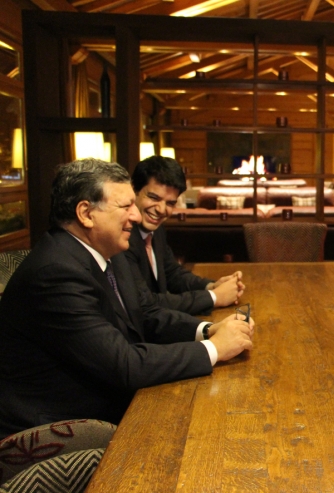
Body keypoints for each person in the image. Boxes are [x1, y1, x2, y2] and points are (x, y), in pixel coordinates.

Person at [0, 159, 254, 437]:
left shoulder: (107, 250)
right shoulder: (56, 273)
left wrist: (207, 330)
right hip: (60, 429)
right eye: (125, 207)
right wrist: (215, 349)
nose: (135, 216)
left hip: (111, 399)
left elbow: (145, 313)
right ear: (86, 213)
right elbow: (125, 365)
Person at [127, 155, 243, 315]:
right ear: (134, 190)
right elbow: (146, 303)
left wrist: (211, 286)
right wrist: (214, 297)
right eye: (154, 197)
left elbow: (172, 273)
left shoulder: (156, 228)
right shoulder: (121, 236)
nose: (161, 210)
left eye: (170, 203)